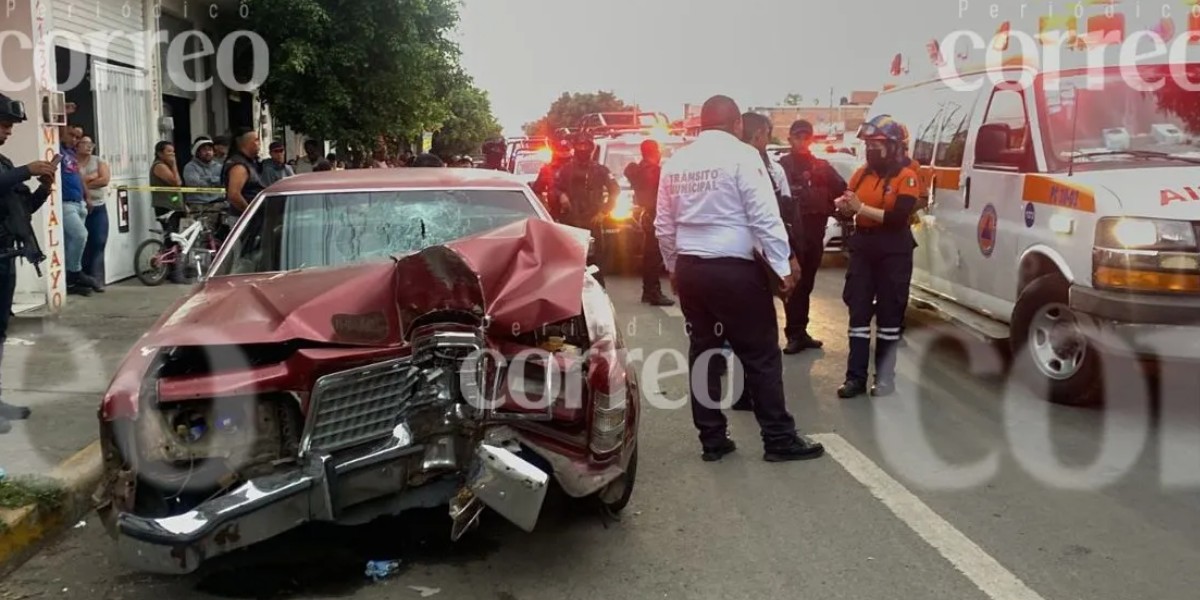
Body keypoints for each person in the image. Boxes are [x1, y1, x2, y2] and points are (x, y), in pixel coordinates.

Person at [655, 94, 824, 463]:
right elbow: (765, 217)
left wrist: (673, 267)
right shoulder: (743, 156)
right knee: (761, 354)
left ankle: (712, 440)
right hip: (734, 271)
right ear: (736, 125)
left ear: (701, 124)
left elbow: (663, 225)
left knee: (704, 351)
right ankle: (778, 438)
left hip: (692, 269)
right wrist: (783, 266)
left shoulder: (677, 162)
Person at [835, 114, 920, 399]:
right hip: (864, 247)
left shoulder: (906, 177)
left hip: (893, 248)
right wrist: (845, 208)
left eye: (878, 144)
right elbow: (848, 204)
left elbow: (898, 218)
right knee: (858, 313)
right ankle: (854, 378)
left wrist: (860, 208)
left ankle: (884, 379)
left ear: (894, 146)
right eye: (868, 144)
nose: (871, 149)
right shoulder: (861, 174)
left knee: (889, 316)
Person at [0, 94, 54, 433]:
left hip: (5, 257)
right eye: (4, 125)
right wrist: (26, 169)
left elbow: (22, 211)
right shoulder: (9, 168)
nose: (7, 132)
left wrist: (44, 189)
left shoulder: (4, 163)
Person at [777, 119, 847, 354]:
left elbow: (842, 188)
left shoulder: (822, 167)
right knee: (792, 286)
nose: (803, 141)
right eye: (798, 137)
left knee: (806, 285)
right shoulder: (781, 168)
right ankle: (793, 334)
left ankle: (801, 331)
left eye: (807, 137)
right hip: (791, 238)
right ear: (790, 139)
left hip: (815, 236)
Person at [554, 134, 619, 286]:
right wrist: (561, 195)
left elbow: (614, 190)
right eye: (580, 146)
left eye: (586, 146)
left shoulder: (600, 170)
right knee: (570, 261)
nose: (582, 149)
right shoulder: (566, 169)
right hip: (571, 221)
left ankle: (597, 293)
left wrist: (604, 211)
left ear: (591, 148)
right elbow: (555, 187)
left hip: (593, 220)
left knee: (595, 262)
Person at [623, 138, 674, 306]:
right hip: (655, 214)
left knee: (649, 256)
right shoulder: (655, 171)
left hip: (646, 214)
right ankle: (654, 292)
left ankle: (648, 290)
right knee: (653, 257)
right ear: (655, 152)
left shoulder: (637, 169)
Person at [59, 125, 98, 296]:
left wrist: (87, 196)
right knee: (80, 235)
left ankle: (70, 280)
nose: (74, 140)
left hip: (78, 202)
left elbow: (79, 177)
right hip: (66, 203)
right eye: (72, 136)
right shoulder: (58, 150)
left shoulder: (71, 154)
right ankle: (75, 273)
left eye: (77, 137)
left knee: (72, 243)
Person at [150, 141, 188, 284]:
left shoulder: (167, 165)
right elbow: (176, 182)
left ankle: (173, 269)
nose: (172, 155)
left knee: (176, 238)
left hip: (175, 205)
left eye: (173, 152)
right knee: (172, 238)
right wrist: (174, 165)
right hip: (165, 207)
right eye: (168, 152)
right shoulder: (159, 166)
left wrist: (183, 204)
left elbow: (178, 186)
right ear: (160, 153)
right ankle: (174, 272)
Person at [77, 135, 111, 290]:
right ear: (77, 145)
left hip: (98, 206)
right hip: (79, 206)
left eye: (91, 144)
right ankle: (81, 278)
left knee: (98, 241)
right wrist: (90, 178)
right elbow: (73, 180)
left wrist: (84, 182)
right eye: (85, 143)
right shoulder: (72, 161)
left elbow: (104, 180)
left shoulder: (98, 161)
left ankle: (96, 279)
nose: (89, 146)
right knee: (81, 242)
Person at [221, 127, 265, 241]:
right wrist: (250, 213)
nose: (258, 143)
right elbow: (234, 195)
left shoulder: (249, 162)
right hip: (243, 220)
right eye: (255, 140)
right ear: (246, 144)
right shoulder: (239, 165)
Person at [531, 138, 571, 214]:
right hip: (555, 212)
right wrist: (545, 207)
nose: (563, 153)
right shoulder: (547, 170)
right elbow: (537, 191)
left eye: (566, 151)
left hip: (578, 213)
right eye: (561, 151)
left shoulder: (578, 168)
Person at [183, 137, 224, 205]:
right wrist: (215, 181)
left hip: (218, 203)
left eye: (210, 150)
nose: (208, 152)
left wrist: (205, 179)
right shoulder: (190, 167)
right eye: (204, 150)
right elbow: (194, 184)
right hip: (197, 204)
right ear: (198, 152)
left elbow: (224, 182)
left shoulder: (219, 166)